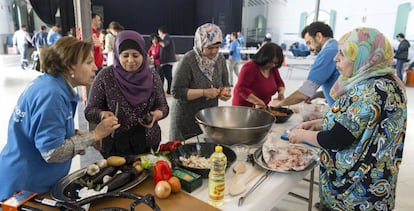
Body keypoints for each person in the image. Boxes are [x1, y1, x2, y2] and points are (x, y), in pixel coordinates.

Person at [288, 27, 407, 210]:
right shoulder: (392, 82)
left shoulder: (368, 90)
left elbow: (337, 138)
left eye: (342, 54)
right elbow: (363, 123)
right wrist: (320, 123)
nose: (336, 58)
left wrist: (302, 135)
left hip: (355, 193)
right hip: (379, 185)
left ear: (362, 58)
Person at [0, 36, 119, 201]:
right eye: (88, 62)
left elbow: (43, 130)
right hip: (25, 186)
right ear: (71, 65)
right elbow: (51, 152)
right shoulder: (53, 95)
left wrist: (82, 137)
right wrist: (96, 135)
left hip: (24, 175)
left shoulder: (50, 85)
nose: (95, 67)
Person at [85, 30, 169, 158]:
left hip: (147, 142)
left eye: (135, 55)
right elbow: (90, 111)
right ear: (118, 55)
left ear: (143, 54)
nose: (130, 61)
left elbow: (163, 107)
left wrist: (155, 115)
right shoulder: (105, 76)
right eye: (125, 56)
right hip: (114, 145)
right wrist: (102, 114)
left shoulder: (152, 76)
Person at [169, 23, 231, 141]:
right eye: (209, 47)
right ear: (199, 43)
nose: (214, 51)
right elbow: (176, 91)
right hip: (186, 118)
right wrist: (204, 92)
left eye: (217, 47)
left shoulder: (220, 59)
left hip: (208, 117)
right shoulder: (188, 60)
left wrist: (224, 93)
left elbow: (225, 84)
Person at [271, 21, 339, 107]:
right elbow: (338, 83)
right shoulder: (336, 46)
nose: (309, 48)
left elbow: (306, 91)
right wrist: (317, 94)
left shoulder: (328, 52)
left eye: (309, 43)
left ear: (319, 36)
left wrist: (279, 104)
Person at [232, 42, 285, 109]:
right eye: (271, 62)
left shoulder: (273, 68)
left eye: (276, 63)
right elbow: (241, 89)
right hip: (244, 107)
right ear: (264, 57)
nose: (273, 65)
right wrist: (258, 101)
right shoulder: (249, 67)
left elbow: (280, 83)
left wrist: (281, 93)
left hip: (262, 106)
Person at [158, 26, 176, 95]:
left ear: (161, 32)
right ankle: (168, 90)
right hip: (165, 61)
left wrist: (158, 42)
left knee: (168, 76)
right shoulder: (165, 38)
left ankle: (170, 90)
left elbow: (164, 44)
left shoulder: (167, 37)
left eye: (159, 33)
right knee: (166, 76)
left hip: (167, 61)